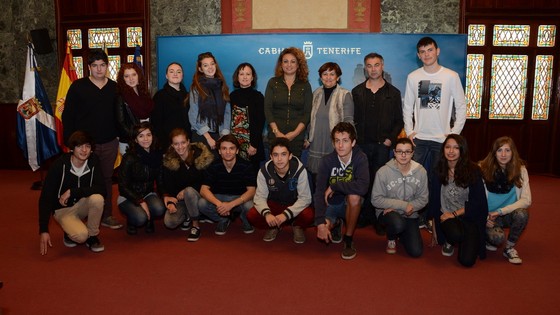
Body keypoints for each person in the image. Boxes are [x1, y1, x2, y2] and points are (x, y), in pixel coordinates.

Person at [62, 48, 123, 229]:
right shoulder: (78, 87)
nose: (99, 69)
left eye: (102, 65)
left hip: (110, 142)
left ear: (107, 66)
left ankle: (106, 215)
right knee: (82, 179)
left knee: (105, 179)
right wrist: (70, 143)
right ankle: (78, 215)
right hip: (84, 146)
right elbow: (68, 116)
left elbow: (120, 116)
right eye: (95, 65)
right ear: (89, 67)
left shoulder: (115, 88)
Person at [352, 52, 404, 232]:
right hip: (362, 145)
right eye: (369, 65)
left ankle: (379, 218)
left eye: (376, 65)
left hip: (383, 146)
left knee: (380, 183)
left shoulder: (393, 93)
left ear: (382, 66)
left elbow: (399, 121)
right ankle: (364, 215)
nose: (373, 69)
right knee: (363, 181)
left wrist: (389, 140)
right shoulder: (357, 92)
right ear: (365, 68)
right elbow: (352, 119)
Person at [403, 36, 467, 176]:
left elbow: (461, 106)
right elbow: (407, 107)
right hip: (418, 139)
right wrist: (409, 131)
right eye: (422, 51)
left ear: (437, 51)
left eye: (430, 50)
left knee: (438, 180)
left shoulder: (451, 76)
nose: (427, 54)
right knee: (414, 178)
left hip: (442, 139)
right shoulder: (413, 77)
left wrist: (454, 133)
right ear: (418, 55)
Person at [39, 131, 106, 255]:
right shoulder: (59, 165)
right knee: (81, 236)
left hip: (81, 204)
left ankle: (92, 237)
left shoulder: (93, 161)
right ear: (72, 149)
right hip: (63, 210)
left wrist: (72, 192)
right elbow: (45, 198)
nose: (84, 150)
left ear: (91, 149)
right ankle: (69, 232)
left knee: (98, 199)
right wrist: (44, 230)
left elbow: (102, 189)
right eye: (79, 146)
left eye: (87, 146)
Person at [427, 134, 488, 267]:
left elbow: (478, 203)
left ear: (462, 150)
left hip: (468, 217)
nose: (451, 151)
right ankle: (450, 240)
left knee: (466, 262)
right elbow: (434, 202)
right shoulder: (439, 171)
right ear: (443, 149)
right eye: (448, 147)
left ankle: (469, 239)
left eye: (456, 148)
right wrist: (434, 228)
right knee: (456, 234)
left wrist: (454, 214)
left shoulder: (473, 170)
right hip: (447, 217)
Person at [314, 122, 370, 260]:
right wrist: (320, 223)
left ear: (353, 142)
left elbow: (363, 187)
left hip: (349, 206)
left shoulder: (360, 158)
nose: (340, 145)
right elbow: (319, 192)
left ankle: (348, 238)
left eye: (345, 141)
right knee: (325, 226)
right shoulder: (327, 161)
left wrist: (335, 186)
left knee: (354, 197)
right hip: (332, 203)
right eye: (337, 141)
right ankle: (336, 223)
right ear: (333, 143)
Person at [247, 137, 314, 243]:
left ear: (290, 156)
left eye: (283, 154)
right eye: (275, 155)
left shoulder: (300, 170)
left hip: (293, 205)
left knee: (308, 215)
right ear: (271, 157)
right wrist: (267, 214)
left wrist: (286, 215)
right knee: (252, 215)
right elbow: (260, 197)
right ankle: (274, 226)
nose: (279, 159)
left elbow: (305, 198)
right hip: (274, 205)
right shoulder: (264, 171)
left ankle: (297, 226)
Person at [371, 138, 428, 257]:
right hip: (387, 213)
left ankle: (402, 234)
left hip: (410, 213)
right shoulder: (383, 172)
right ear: (394, 152)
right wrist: (403, 206)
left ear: (412, 153)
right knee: (397, 223)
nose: (403, 155)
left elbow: (423, 199)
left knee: (416, 252)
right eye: (399, 151)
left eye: (407, 152)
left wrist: (408, 208)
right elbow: (375, 199)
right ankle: (391, 238)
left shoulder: (421, 171)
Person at [479, 136, 530, 264]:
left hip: (506, 214)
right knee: (497, 238)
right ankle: (487, 237)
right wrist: (484, 217)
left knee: (522, 214)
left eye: (507, 150)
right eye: (499, 150)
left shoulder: (521, 170)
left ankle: (509, 248)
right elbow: (475, 199)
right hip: (488, 216)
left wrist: (501, 211)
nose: (503, 154)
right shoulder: (482, 169)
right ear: (494, 152)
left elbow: (526, 200)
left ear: (513, 152)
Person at [162, 128, 214, 242]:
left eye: (183, 143)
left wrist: (186, 190)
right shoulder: (169, 160)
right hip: (180, 200)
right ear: (172, 145)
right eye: (176, 144)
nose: (180, 147)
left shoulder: (201, 156)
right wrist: (171, 202)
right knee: (169, 222)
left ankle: (195, 225)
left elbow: (208, 182)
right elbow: (168, 186)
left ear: (188, 142)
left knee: (189, 191)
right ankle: (188, 215)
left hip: (199, 196)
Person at [198, 134, 256, 235]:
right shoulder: (213, 165)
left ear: (237, 150)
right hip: (220, 199)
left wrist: (231, 205)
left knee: (250, 205)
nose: (228, 152)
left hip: (239, 199)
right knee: (202, 203)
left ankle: (244, 219)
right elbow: (203, 190)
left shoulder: (246, 166)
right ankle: (223, 219)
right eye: (224, 148)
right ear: (219, 151)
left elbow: (252, 191)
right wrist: (220, 204)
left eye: (231, 148)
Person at [305, 62, 354, 178]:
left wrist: (345, 142)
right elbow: (310, 120)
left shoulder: (345, 94)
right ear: (320, 77)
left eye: (332, 74)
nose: (328, 77)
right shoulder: (315, 93)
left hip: (335, 144)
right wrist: (307, 138)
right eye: (325, 74)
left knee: (334, 182)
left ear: (338, 77)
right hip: (316, 143)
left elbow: (348, 121)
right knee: (317, 182)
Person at [118, 122, 165, 235]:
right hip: (128, 196)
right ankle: (132, 221)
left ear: (153, 136)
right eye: (141, 136)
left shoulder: (157, 155)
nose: (146, 139)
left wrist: (166, 195)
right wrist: (140, 201)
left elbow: (160, 180)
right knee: (139, 219)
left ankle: (149, 219)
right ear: (135, 140)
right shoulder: (129, 157)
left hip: (148, 193)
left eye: (148, 135)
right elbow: (122, 186)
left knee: (160, 209)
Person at [264, 47, 312, 157]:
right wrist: (277, 133)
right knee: (275, 169)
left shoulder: (305, 85)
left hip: (297, 137)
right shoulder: (273, 83)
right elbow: (267, 109)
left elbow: (307, 113)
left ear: (298, 64)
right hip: (275, 136)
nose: (289, 65)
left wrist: (294, 133)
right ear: (281, 64)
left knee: (294, 170)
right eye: (285, 61)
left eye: (293, 61)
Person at [189, 52, 231, 153]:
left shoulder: (222, 86)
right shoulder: (196, 88)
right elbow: (194, 114)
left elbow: (227, 112)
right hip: (202, 135)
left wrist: (224, 134)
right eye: (205, 65)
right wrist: (208, 137)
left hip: (219, 136)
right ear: (200, 69)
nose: (210, 67)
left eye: (212, 64)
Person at [230, 62, 266, 172]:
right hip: (234, 145)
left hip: (251, 146)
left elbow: (260, 122)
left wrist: (254, 145)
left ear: (252, 77)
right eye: (241, 74)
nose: (245, 77)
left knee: (251, 177)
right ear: (237, 77)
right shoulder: (232, 96)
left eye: (248, 74)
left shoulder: (258, 96)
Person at [115, 62, 154, 154]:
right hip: (129, 142)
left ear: (138, 76)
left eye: (134, 74)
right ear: (122, 79)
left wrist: (146, 136)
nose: (131, 79)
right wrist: (136, 137)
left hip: (146, 140)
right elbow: (120, 123)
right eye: (127, 76)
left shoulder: (145, 94)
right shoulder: (120, 97)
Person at [152, 62, 190, 149]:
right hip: (167, 143)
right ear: (166, 76)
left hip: (185, 143)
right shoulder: (160, 96)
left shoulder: (188, 96)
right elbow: (156, 124)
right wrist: (165, 143)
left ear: (182, 75)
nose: (175, 74)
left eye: (179, 72)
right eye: (171, 71)